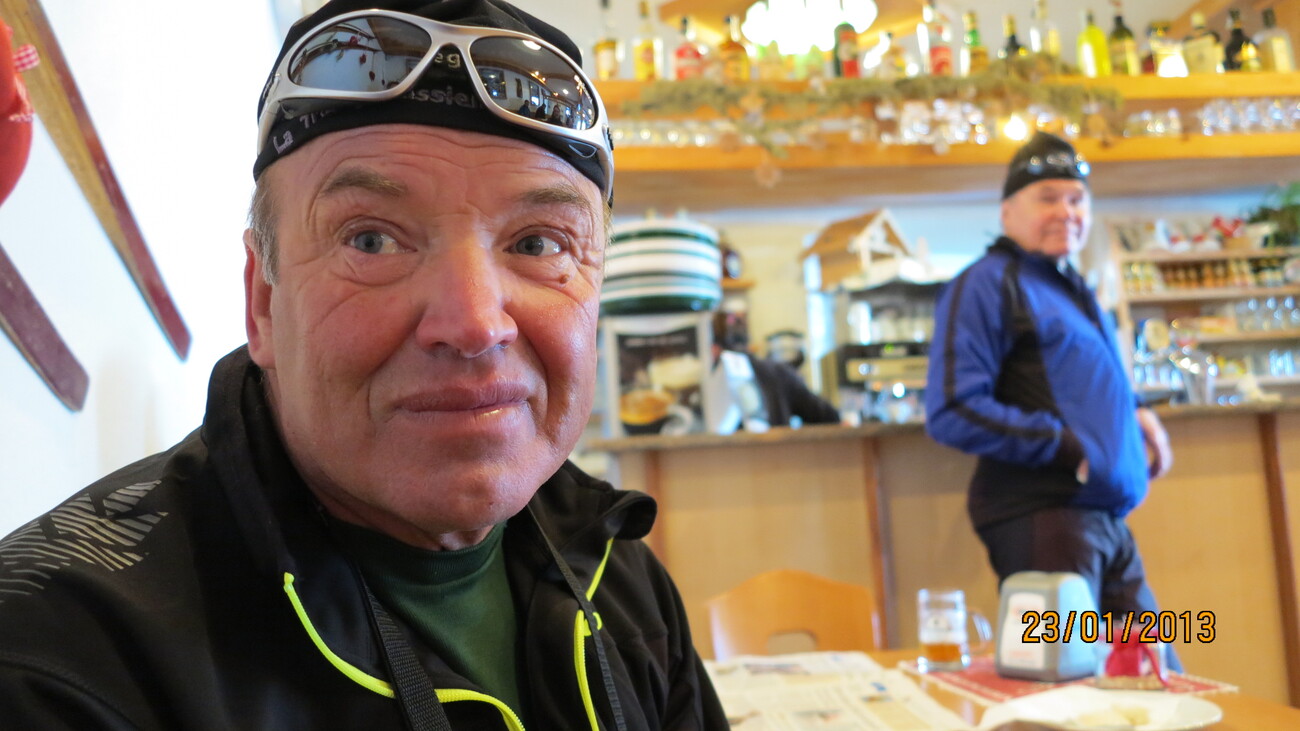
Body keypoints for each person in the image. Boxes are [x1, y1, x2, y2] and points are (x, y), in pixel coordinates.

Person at [0, 1, 728, 728]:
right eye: (372, 239)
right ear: (262, 302)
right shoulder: (57, 664)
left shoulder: (619, 576)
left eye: (538, 244)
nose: (475, 324)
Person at [923, 132, 1179, 668]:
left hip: (1103, 517)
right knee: (1065, 690)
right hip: (1044, 518)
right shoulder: (986, 284)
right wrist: (1070, 449)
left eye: (1076, 198)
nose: (1066, 211)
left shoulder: (1071, 287)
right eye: (1048, 198)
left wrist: (1137, 411)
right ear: (1007, 212)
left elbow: (1081, 376)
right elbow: (953, 409)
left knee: (1156, 678)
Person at [712, 311, 839, 428]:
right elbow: (828, 415)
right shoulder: (780, 372)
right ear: (748, 343)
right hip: (780, 445)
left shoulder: (713, 382)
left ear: (714, 348)